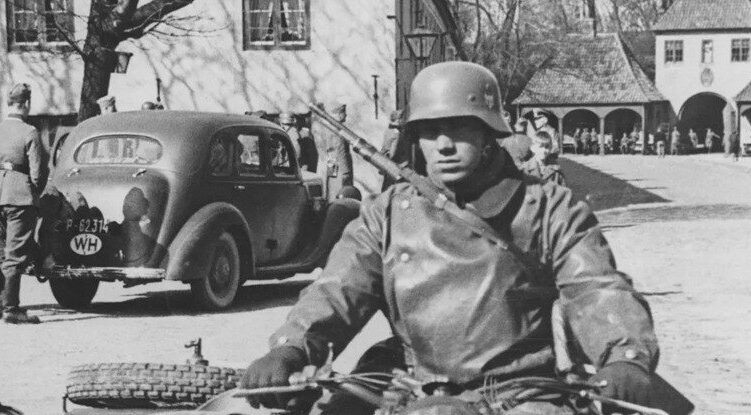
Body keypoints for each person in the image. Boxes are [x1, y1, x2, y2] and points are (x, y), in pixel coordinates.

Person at [241, 61, 661, 415]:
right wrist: (291, 348)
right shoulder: (387, 213)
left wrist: (624, 357)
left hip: (519, 391)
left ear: (488, 132)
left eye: (458, 128)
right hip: (410, 384)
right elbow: (338, 290)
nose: (443, 145)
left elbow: (595, 286)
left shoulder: (547, 207)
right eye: (429, 130)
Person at [0, 83, 47, 324]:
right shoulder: (29, 132)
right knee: (15, 255)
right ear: (26, 103)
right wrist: (33, 193)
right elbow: (38, 173)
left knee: (2, 252)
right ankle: (11, 309)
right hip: (19, 197)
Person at [323, 102, 353, 201]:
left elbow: (331, 152)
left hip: (333, 167)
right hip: (341, 168)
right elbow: (341, 151)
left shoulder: (331, 128)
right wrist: (346, 171)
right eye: (344, 112)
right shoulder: (339, 130)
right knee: (343, 195)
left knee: (333, 192)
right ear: (339, 114)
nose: (346, 115)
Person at [380, 110, 404, 191]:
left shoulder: (388, 130)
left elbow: (384, 146)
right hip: (393, 163)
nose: (403, 121)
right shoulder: (396, 132)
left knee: (386, 186)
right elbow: (394, 151)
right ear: (398, 119)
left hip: (386, 159)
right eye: (402, 118)